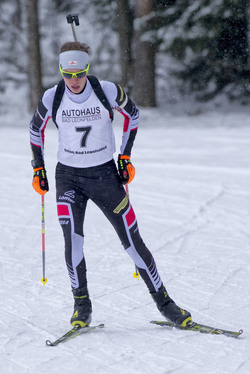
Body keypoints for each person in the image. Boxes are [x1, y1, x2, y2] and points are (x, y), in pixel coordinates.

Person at [30, 41, 191, 328]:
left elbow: (134, 115)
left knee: (132, 241)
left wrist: (125, 157)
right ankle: (82, 306)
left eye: (79, 74)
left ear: (88, 69)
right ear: (61, 72)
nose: (74, 80)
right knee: (73, 242)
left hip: (105, 176)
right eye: (68, 74)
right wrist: (38, 167)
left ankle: (165, 303)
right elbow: (35, 130)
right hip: (68, 177)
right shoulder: (51, 97)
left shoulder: (107, 91)